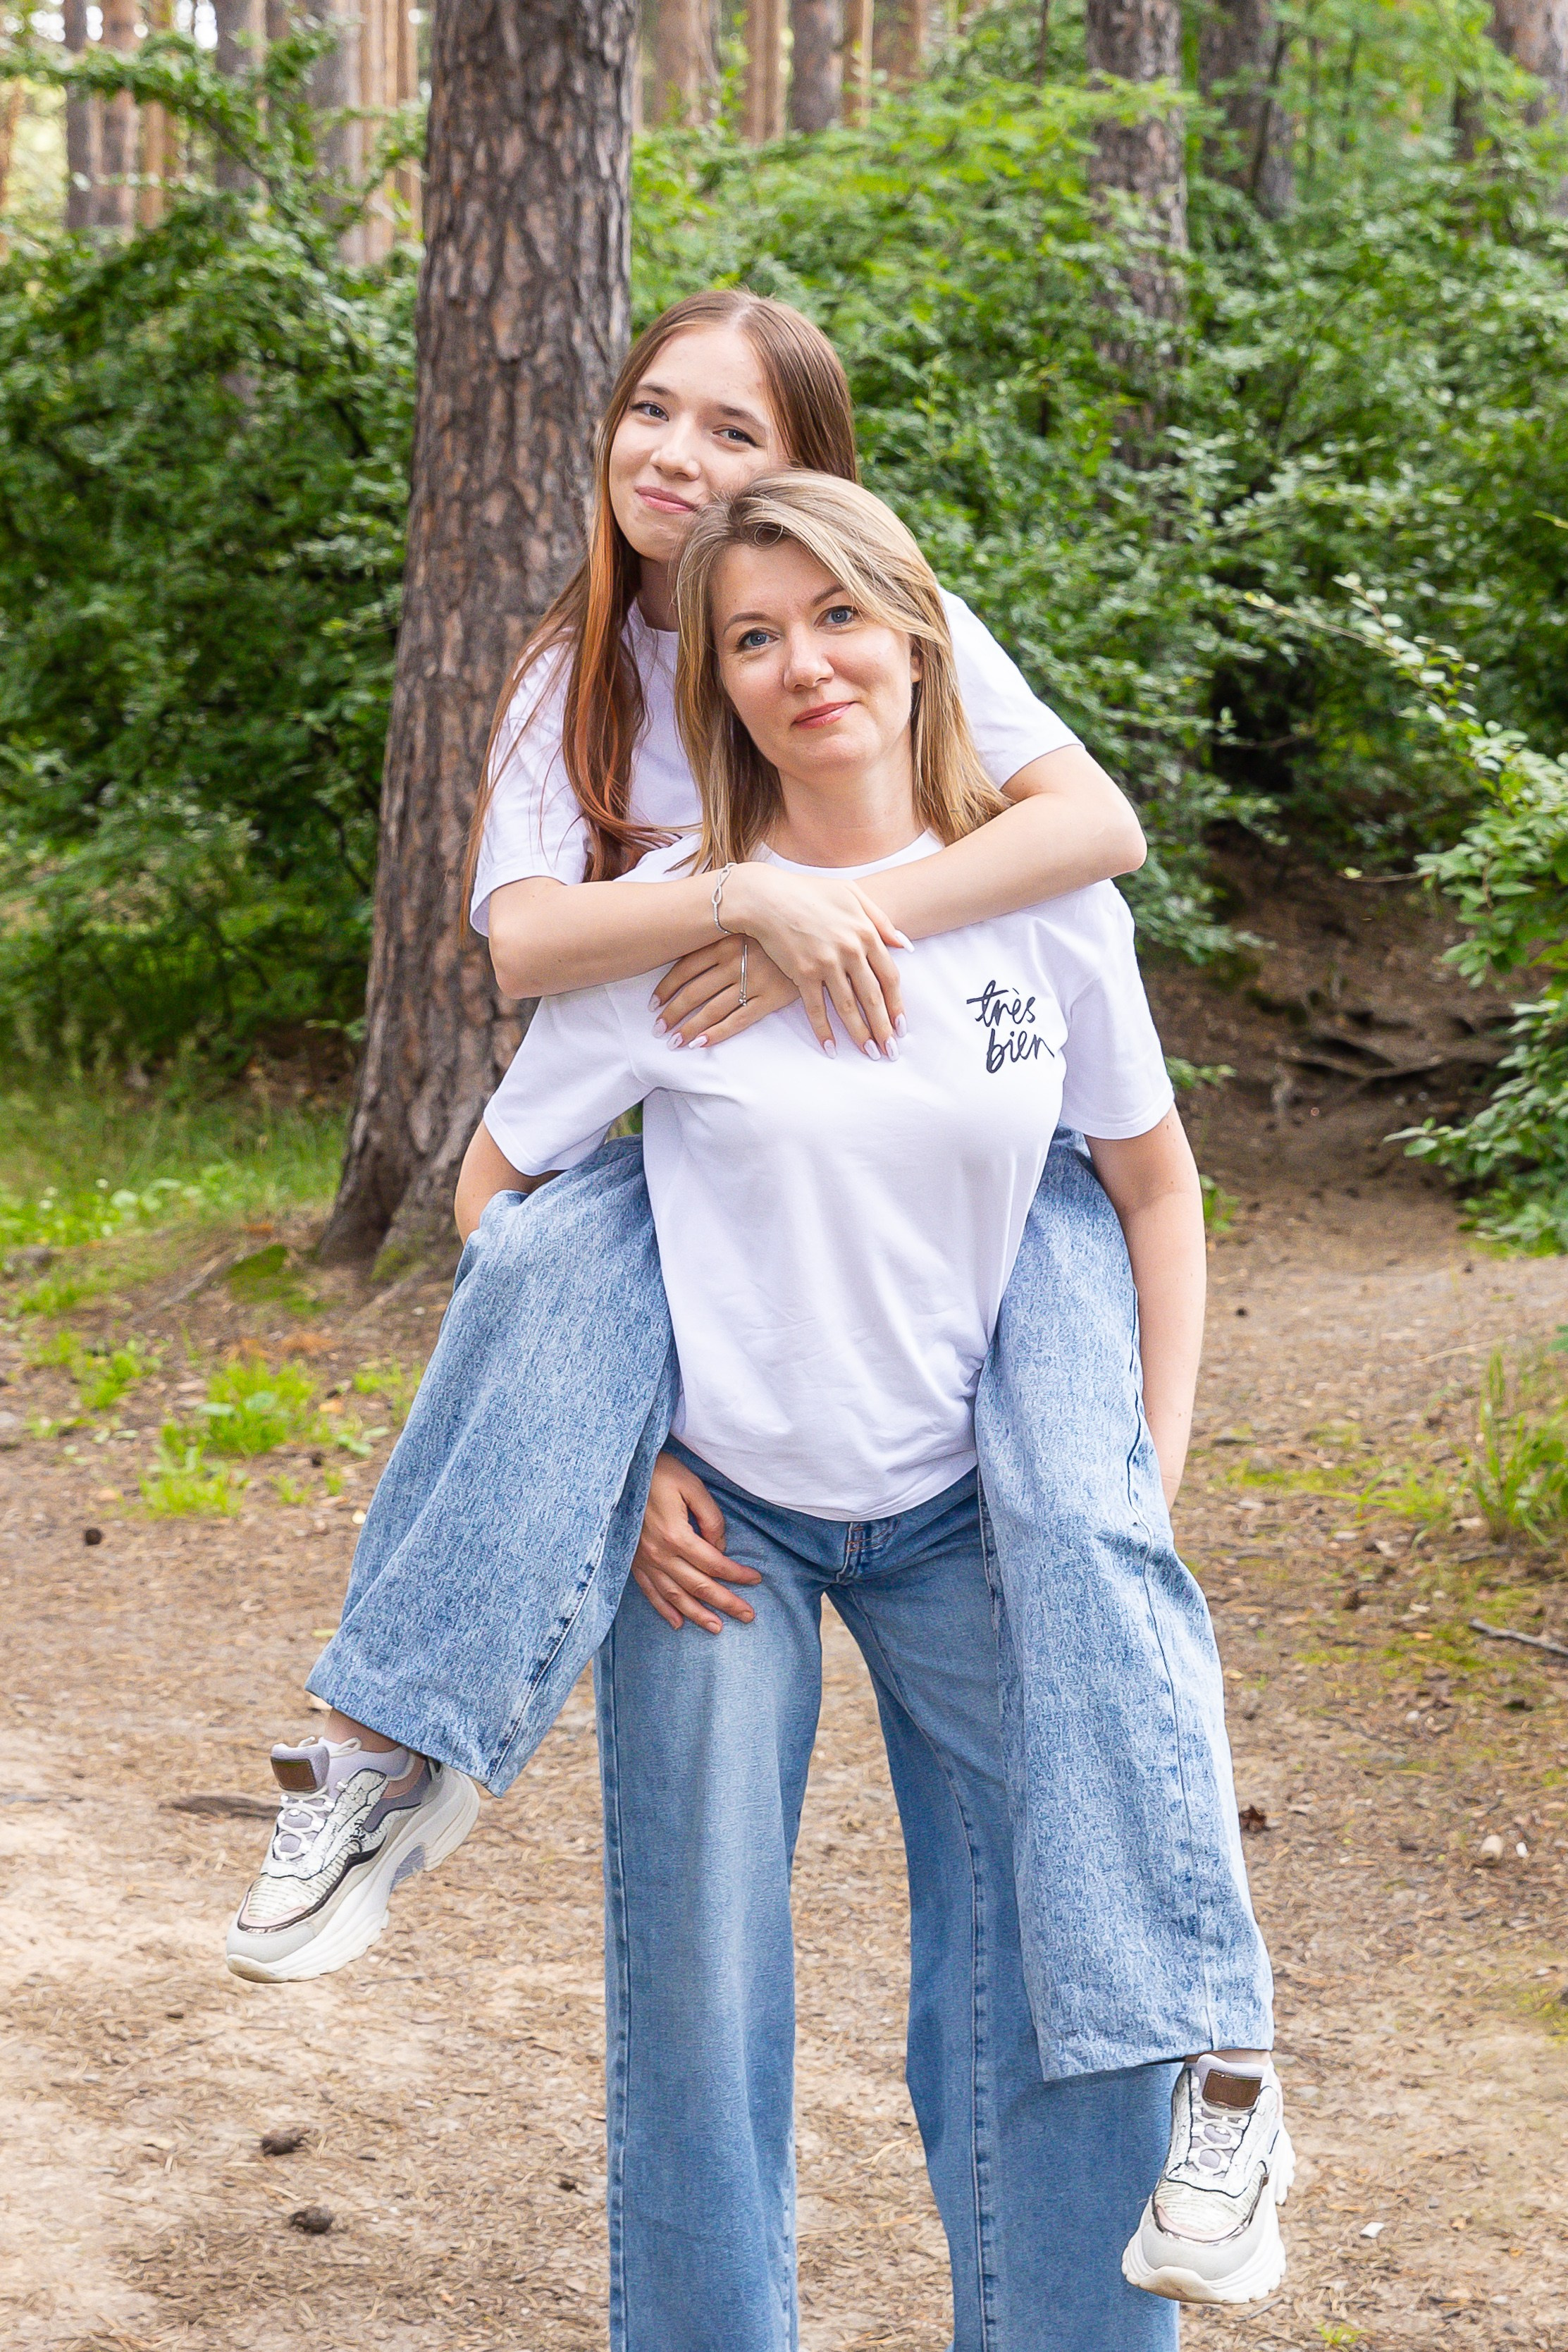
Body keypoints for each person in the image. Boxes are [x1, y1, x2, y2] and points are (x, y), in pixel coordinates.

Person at [454, 474, 1290, 2341]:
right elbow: (496, 1189)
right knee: (698, 1972)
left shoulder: (1040, 900)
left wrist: (1129, 1480)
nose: (800, 663)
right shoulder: (678, 920)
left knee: (1043, 1953)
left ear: (919, 632)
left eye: (835, 616)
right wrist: (627, 1456)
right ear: (719, 691)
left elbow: (1155, 1191)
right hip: (725, 1519)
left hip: (971, 1514)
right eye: (750, 639)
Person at [226, 288, 1144, 1966]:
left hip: (953, 1131)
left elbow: (1093, 824)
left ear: (812, 482)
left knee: (1083, 1535)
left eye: (737, 431)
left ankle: (1192, 2012)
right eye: (654, 409)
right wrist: (743, 898)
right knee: (549, 1259)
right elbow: (517, 944)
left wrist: (849, 921)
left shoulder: (866, 615)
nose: (676, 454)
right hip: (675, 1138)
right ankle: (390, 1741)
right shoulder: (568, 677)